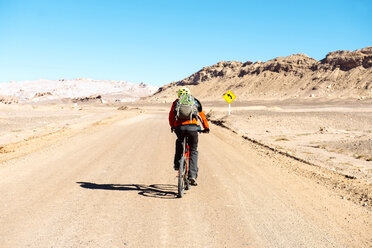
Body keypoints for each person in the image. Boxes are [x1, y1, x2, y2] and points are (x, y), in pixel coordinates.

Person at [169, 87, 209, 186]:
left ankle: (177, 164)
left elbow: (171, 116)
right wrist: (206, 128)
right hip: (192, 129)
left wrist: (173, 126)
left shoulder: (176, 102)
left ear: (179, 94)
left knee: (179, 141)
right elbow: (202, 116)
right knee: (193, 150)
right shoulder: (194, 101)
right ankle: (192, 176)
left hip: (180, 128)